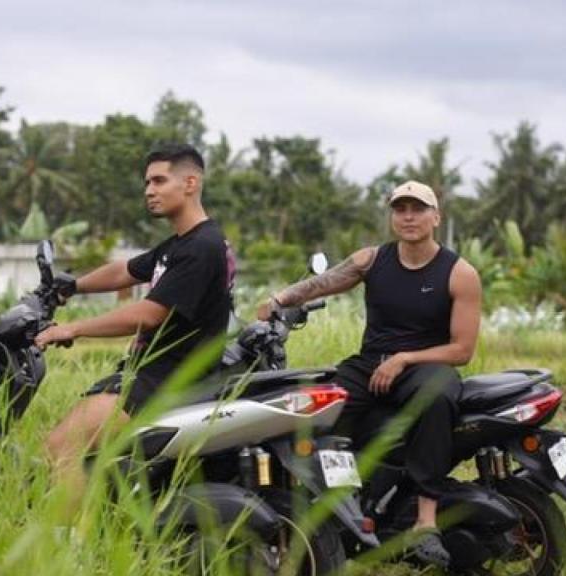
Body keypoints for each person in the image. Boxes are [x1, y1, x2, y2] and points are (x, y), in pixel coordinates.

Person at [256, 180, 482, 567]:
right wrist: (279, 299)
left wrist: (405, 359)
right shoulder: (373, 259)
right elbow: (323, 282)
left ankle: (425, 522)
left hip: (427, 364)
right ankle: (339, 503)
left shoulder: (459, 273)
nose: (408, 216)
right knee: (317, 407)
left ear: (436, 217)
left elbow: (461, 350)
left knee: (436, 399)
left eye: (418, 208)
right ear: (392, 216)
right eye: (400, 209)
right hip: (370, 362)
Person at [35, 143, 236, 494]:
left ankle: (66, 545)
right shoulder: (179, 244)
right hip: (150, 373)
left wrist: (72, 328)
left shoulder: (202, 247)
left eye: (159, 181)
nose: (149, 191)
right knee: (84, 452)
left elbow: (150, 313)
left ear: (190, 183)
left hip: (168, 380)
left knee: (62, 447)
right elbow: (124, 271)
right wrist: (70, 286)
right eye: (147, 183)